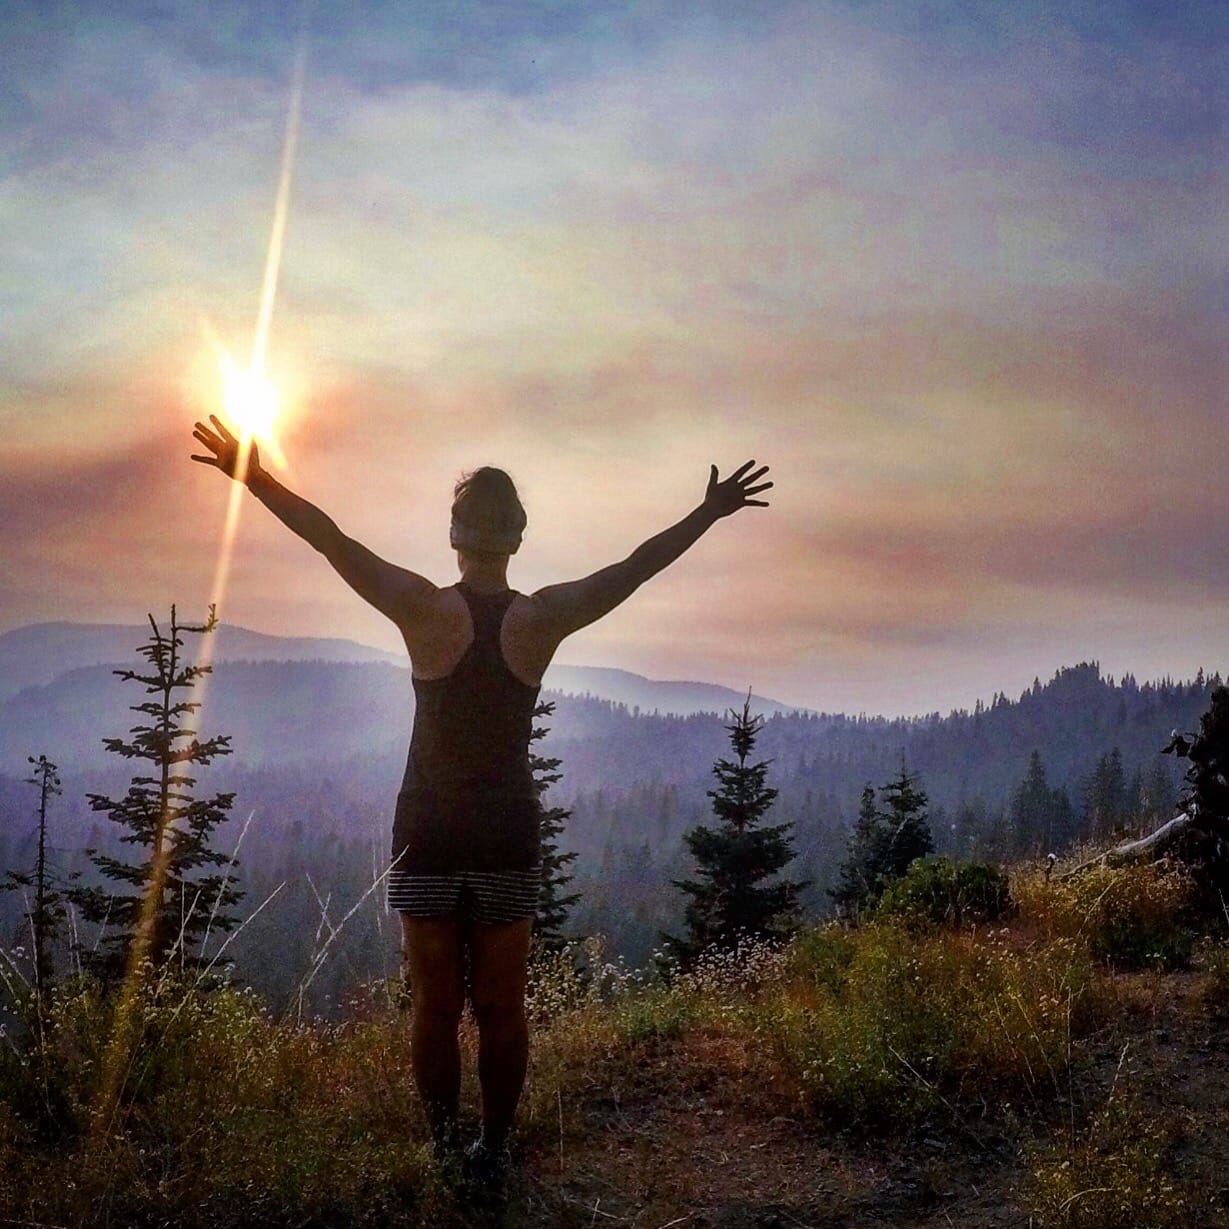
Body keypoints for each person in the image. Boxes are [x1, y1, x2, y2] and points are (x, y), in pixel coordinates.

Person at [190, 416, 771, 1174]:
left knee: (434, 1006)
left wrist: (255, 478)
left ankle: (441, 1150)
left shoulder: (423, 606)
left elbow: (330, 538)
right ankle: (492, 1151)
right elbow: (634, 568)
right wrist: (706, 512)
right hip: (505, 833)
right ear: (518, 539)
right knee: (501, 1006)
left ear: (455, 533)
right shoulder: (542, 617)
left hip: (427, 829)